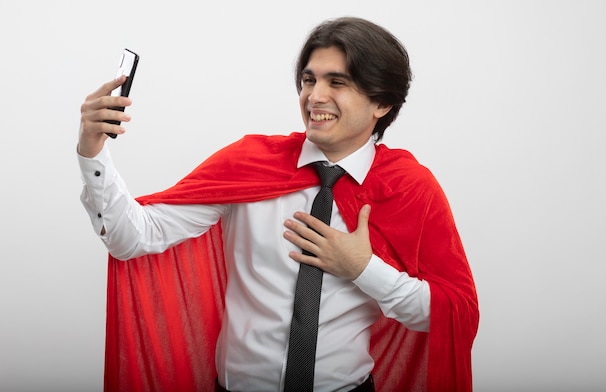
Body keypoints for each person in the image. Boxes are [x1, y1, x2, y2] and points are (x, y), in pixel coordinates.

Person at [78, 16, 478, 392]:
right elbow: (132, 237)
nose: (314, 96)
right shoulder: (249, 163)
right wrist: (92, 153)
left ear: (382, 103)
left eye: (336, 82)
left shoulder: (409, 188)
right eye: (308, 80)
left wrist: (364, 269)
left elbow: (453, 315)